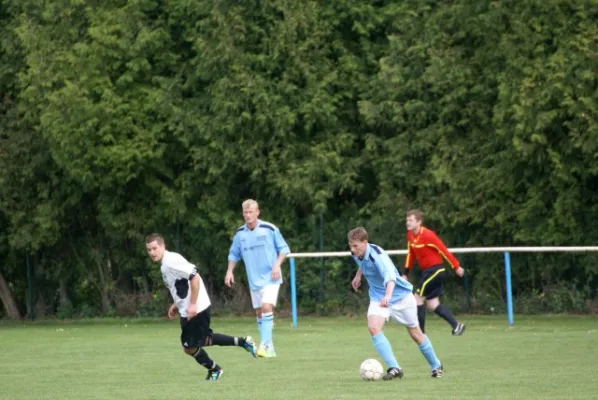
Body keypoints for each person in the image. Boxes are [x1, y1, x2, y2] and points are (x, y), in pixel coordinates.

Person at [145, 233, 257, 381]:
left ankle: (215, 369)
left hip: (196, 309)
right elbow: (182, 285)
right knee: (203, 340)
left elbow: (195, 276)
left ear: (163, 246)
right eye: (149, 250)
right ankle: (242, 343)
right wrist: (176, 304)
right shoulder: (166, 264)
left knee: (189, 346)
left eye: (155, 248)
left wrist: (192, 304)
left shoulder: (170, 261)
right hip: (191, 309)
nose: (152, 252)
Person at [349, 227, 444, 379]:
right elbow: (362, 264)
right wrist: (358, 276)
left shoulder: (377, 256)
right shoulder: (356, 253)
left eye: (356, 246)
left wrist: (388, 295)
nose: (353, 250)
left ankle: (436, 365)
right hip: (378, 296)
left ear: (365, 242)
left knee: (415, 334)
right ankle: (395, 367)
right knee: (373, 328)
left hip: (400, 296)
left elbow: (391, 277)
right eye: (351, 246)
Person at [225, 199, 290, 358]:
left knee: (267, 307)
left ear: (257, 212)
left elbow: (284, 249)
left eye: (251, 212)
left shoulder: (269, 229)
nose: (248, 215)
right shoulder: (240, 234)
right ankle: (270, 348)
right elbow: (234, 254)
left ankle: (265, 345)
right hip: (254, 280)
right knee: (260, 313)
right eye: (245, 212)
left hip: (271, 277)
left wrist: (276, 265)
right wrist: (229, 271)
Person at [403, 209, 466, 336]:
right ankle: (456, 326)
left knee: (417, 298)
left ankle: (421, 333)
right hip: (427, 272)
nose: (408, 223)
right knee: (432, 304)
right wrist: (405, 273)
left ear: (419, 222)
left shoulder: (427, 235)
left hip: (435, 270)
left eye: (411, 220)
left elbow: (443, 250)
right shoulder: (410, 235)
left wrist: (456, 266)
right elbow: (411, 254)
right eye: (407, 220)